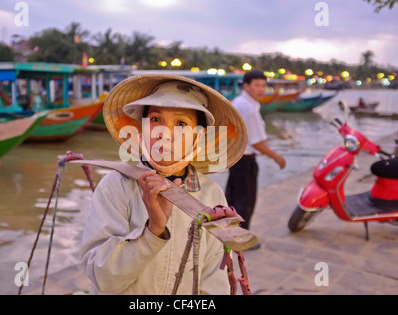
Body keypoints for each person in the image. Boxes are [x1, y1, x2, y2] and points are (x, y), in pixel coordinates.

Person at [80, 74, 249, 295]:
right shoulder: (115, 186)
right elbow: (102, 279)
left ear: (198, 138)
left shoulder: (211, 195)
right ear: (142, 130)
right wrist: (154, 231)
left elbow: (214, 283)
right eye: (156, 120)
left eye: (180, 123)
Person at [225, 70, 286, 247]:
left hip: (235, 157)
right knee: (245, 200)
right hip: (245, 160)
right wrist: (276, 156)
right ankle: (241, 238)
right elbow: (257, 142)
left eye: (263, 85)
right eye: (257, 85)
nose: (261, 89)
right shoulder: (248, 108)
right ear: (246, 86)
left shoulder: (241, 102)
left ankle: (229, 233)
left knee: (233, 198)